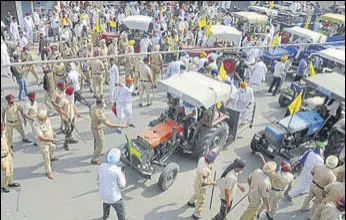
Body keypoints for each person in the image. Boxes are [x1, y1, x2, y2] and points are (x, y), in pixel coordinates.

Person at [89, 98, 128, 165]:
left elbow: (90, 113)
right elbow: (109, 125)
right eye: (102, 104)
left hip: (93, 127)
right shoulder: (99, 114)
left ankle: (97, 152)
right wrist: (121, 126)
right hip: (98, 129)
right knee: (100, 144)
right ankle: (94, 159)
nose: (103, 105)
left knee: (96, 141)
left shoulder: (93, 107)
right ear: (99, 104)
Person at [98, 148, 127, 220]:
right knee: (121, 210)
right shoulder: (117, 171)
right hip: (115, 198)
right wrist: (123, 173)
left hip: (103, 195)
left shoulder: (102, 166)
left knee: (106, 203)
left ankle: (105, 217)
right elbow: (123, 185)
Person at [187, 151, 217, 220]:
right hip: (201, 185)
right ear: (210, 161)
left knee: (197, 193)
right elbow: (203, 183)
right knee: (201, 200)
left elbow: (207, 166)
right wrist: (212, 182)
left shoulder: (202, 159)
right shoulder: (205, 171)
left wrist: (209, 168)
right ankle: (196, 214)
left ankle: (190, 202)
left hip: (197, 181)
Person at [35, 109, 57, 179]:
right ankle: (49, 172)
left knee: (53, 147)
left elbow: (49, 127)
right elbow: (41, 137)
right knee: (46, 158)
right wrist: (51, 139)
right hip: (43, 143)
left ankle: (52, 156)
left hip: (50, 139)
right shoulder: (36, 124)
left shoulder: (47, 119)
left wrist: (53, 133)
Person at [57, 87, 80, 151]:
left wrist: (77, 113)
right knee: (68, 131)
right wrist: (65, 114)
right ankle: (66, 143)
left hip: (72, 116)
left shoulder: (71, 99)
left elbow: (73, 106)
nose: (73, 94)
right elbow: (59, 109)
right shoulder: (63, 100)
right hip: (66, 118)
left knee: (72, 127)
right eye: (72, 93)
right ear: (69, 94)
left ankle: (70, 138)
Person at [1, 123, 20, 193]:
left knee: (11, 170)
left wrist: (11, 153)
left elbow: (7, 144)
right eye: (3, 126)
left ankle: (10, 183)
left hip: (8, 155)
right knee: (6, 173)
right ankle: (3, 186)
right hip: (2, 158)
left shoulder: (3, 134)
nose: (4, 127)